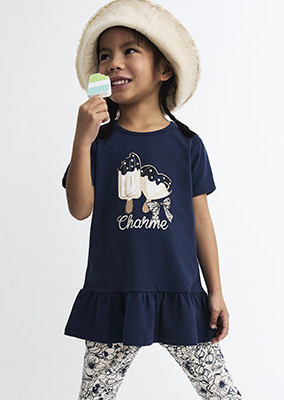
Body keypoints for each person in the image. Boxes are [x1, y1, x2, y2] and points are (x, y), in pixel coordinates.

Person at [61, 0, 243, 398]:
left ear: (164, 70)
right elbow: (79, 208)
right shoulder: (98, 144)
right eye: (105, 55)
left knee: (221, 392)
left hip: (180, 293)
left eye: (129, 50)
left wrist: (215, 290)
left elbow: (201, 221)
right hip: (113, 295)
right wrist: (82, 139)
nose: (113, 63)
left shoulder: (187, 145)